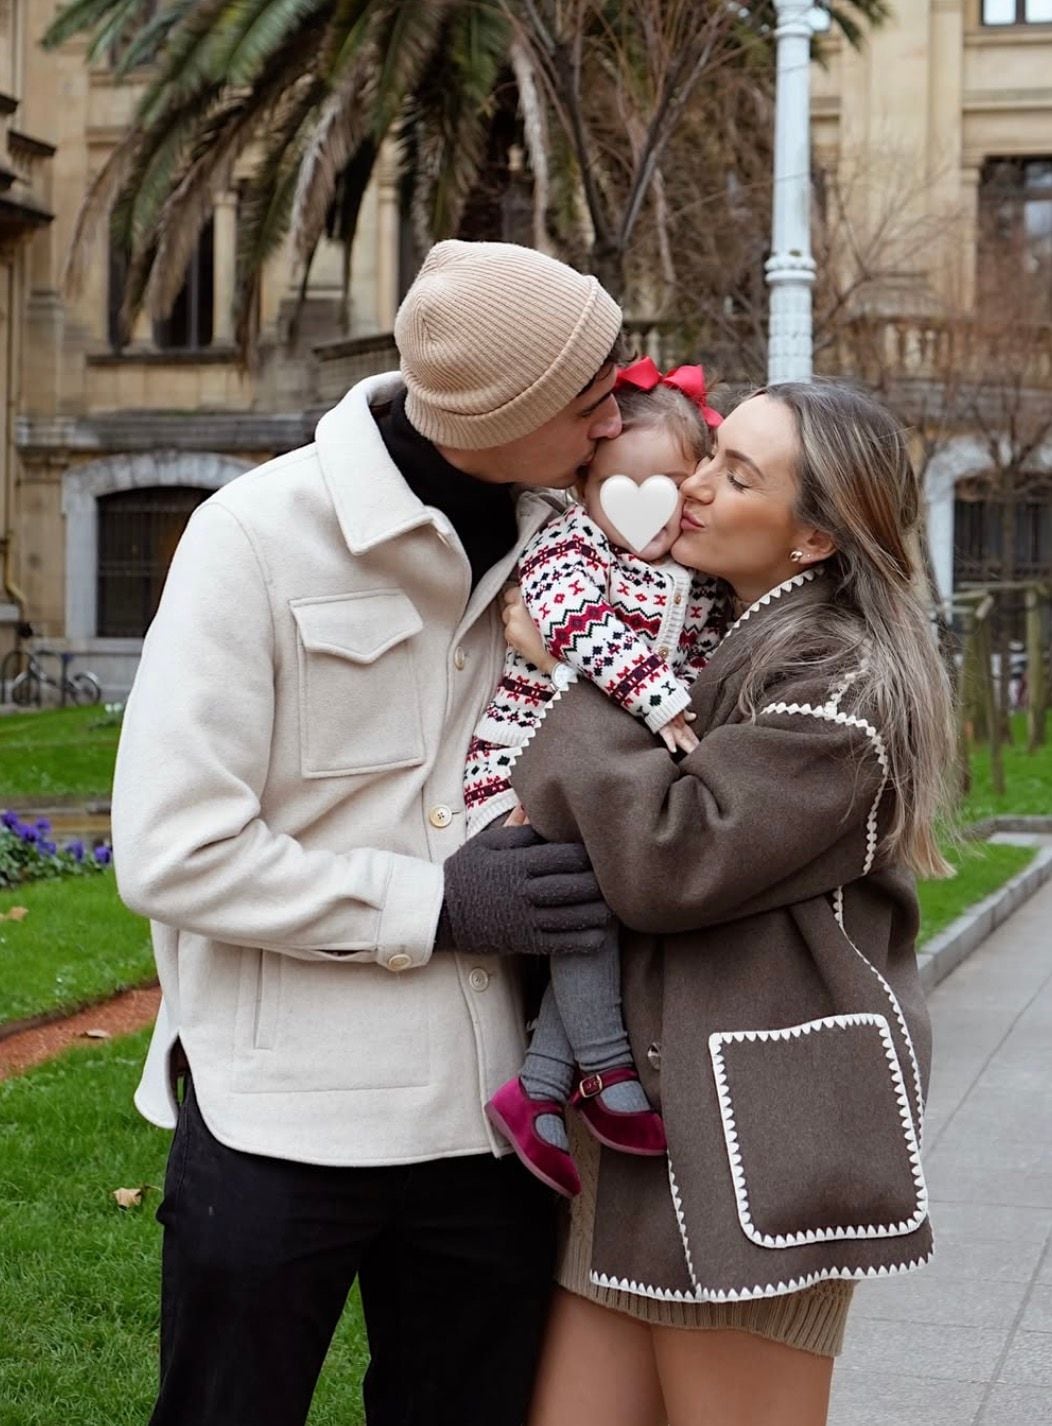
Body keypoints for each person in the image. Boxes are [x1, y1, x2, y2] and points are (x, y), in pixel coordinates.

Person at [110, 239, 625, 1426]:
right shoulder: (252, 537)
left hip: (496, 1126)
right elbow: (171, 847)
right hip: (274, 1116)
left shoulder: (576, 542)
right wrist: (434, 903)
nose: (615, 425)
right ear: (500, 412)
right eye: (592, 402)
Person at [499, 381, 956, 1426]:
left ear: (809, 542)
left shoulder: (839, 686)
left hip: (752, 1146)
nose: (690, 486)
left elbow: (670, 856)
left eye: (735, 475)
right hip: (648, 1137)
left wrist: (567, 675)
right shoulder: (724, 632)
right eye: (711, 455)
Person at [463, 361, 724, 1197]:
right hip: (522, 767)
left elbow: (709, 656)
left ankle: (538, 1091)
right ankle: (608, 1075)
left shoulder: (697, 573)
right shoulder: (569, 546)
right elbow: (577, 623)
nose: (640, 503)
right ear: (583, 483)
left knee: (598, 895)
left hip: (597, 776)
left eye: (668, 485)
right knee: (580, 896)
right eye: (618, 484)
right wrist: (665, 704)